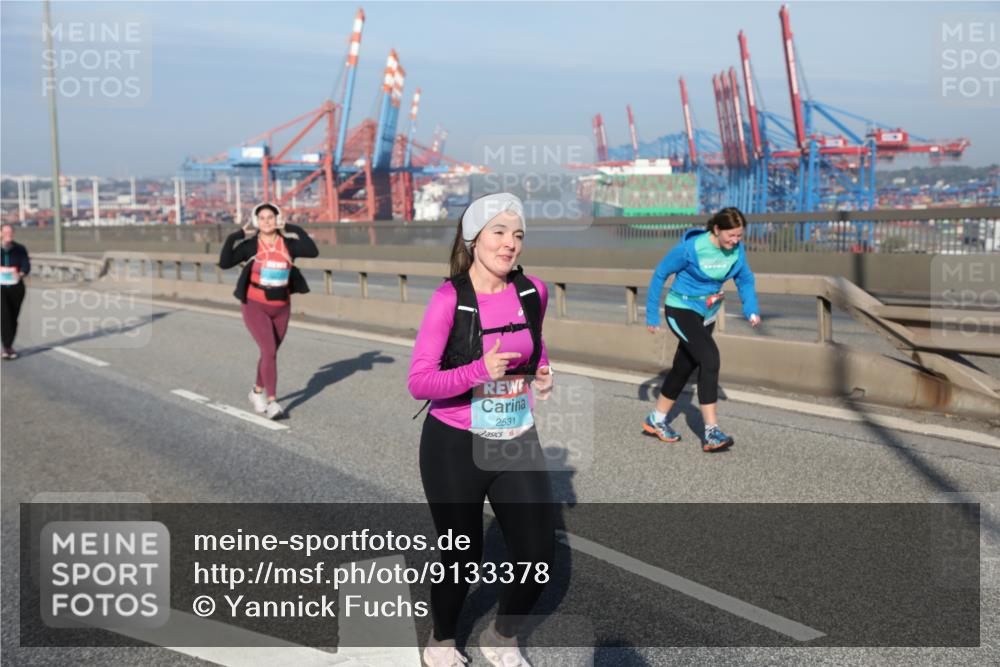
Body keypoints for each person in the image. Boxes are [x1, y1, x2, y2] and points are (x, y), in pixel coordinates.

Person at [408, 193, 555, 667]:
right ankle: (442, 640)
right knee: (461, 558)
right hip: (454, 443)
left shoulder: (533, 291)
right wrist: (478, 371)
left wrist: (543, 370)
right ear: (474, 239)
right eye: (499, 232)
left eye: (517, 235)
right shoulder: (449, 299)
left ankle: (502, 637)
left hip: (515, 436)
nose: (510, 244)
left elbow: (534, 344)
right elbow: (419, 382)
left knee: (537, 556)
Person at [643, 207, 761, 452]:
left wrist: (751, 308)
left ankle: (656, 420)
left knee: (683, 367)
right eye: (731, 236)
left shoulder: (737, 251)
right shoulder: (690, 249)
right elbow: (660, 274)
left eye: (740, 236)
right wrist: (652, 314)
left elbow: (745, 278)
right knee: (710, 358)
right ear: (716, 229)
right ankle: (711, 432)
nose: (736, 241)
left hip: (707, 313)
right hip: (681, 308)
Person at [218, 202, 318, 419]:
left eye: (270, 217)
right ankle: (272, 401)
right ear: (256, 222)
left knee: (268, 353)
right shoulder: (250, 246)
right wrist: (235, 236)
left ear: (277, 220)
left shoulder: (288, 244)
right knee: (269, 351)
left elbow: (313, 251)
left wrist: (292, 228)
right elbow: (225, 262)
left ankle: (256, 392)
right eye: (262, 218)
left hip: (282, 307)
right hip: (255, 306)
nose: (266, 221)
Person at [1, 224, 31, 360]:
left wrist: (22, 273)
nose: (8, 235)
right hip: (1, 288)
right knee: (4, 315)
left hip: (16, 287)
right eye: (5, 232)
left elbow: (26, 264)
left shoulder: (20, 249)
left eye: (10, 232)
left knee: (13, 317)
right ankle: (7, 347)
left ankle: (9, 344)